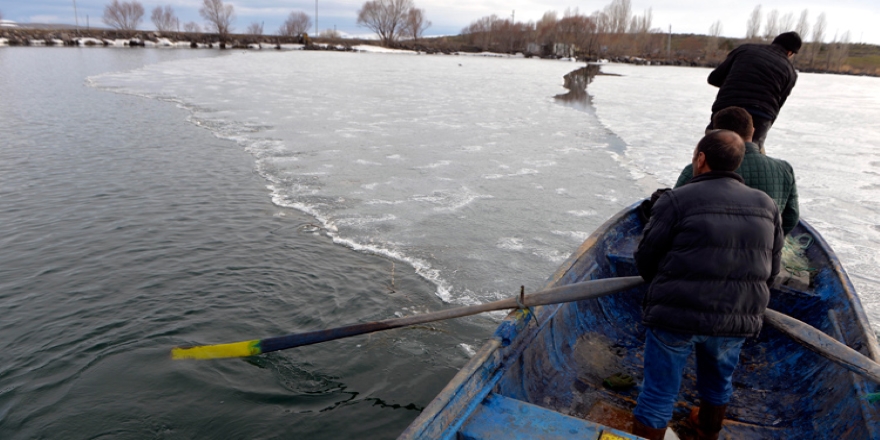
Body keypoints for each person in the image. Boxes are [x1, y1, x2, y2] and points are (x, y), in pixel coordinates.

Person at [631, 130, 784, 440]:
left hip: (676, 316)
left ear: (701, 159)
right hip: (735, 317)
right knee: (718, 385)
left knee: (659, 393)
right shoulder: (767, 205)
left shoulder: (676, 200)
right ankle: (707, 431)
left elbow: (646, 259)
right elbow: (772, 271)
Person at [675, 106, 799, 235]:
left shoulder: (699, 166)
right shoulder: (785, 169)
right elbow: (791, 217)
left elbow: (672, 209)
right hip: (763, 243)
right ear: (752, 131)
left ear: (717, 134)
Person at [707, 32, 801, 150]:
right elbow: (778, 104)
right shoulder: (790, 71)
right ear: (790, 53)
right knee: (752, 151)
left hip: (727, 107)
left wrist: (734, 84)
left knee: (713, 147)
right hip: (760, 115)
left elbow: (714, 78)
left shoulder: (745, 49)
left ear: (775, 42)